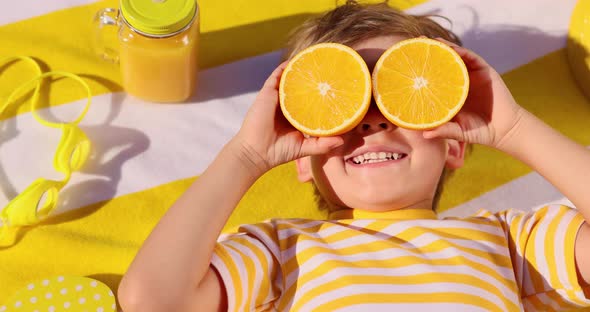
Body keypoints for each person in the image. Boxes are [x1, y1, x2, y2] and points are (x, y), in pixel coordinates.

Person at [118, 1, 590, 311]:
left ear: (455, 142)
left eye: (397, 98)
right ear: (302, 157)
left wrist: (515, 129)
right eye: (341, 107)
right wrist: (245, 155)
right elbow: (151, 301)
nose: (371, 121)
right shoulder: (281, 251)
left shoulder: (510, 242)